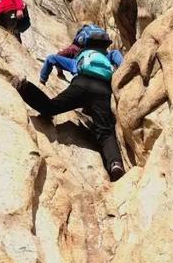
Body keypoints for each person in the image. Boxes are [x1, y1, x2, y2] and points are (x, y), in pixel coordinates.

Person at [13, 30, 125, 181]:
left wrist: (43, 78)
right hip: (102, 90)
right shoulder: (108, 56)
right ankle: (115, 164)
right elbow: (121, 61)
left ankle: (24, 87)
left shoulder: (80, 57)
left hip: (81, 84)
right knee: (105, 132)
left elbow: (52, 59)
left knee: (52, 107)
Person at [39, 40, 123, 84]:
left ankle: (42, 79)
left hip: (81, 66)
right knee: (115, 52)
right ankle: (123, 67)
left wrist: (60, 73)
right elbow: (114, 54)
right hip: (102, 67)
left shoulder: (73, 48)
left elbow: (58, 56)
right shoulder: (98, 50)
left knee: (51, 58)